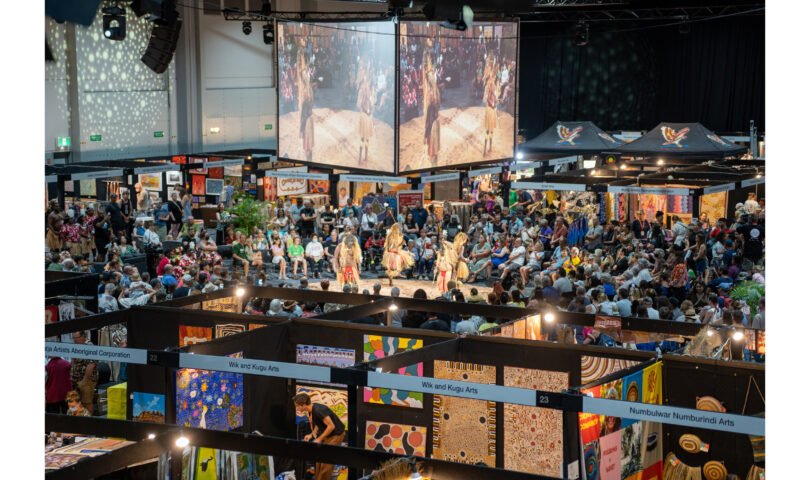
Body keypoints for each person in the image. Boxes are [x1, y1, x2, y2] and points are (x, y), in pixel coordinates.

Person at [293, 393, 346, 480]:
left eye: (298, 406)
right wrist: (311, 434)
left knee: (327, 462)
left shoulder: (318, 410)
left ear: (304, 405)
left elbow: (331, 426)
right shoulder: (311, 411)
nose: (297, 408)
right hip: (328, 435)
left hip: (336, 434)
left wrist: (319, 438)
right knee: (319, 460)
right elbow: (318, 423)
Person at [70, 330, 98, 414]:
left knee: (87, 402)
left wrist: (84, 382)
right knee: (78, 403)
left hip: (87, 381)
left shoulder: (90, 347)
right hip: (76, 380)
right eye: (73, 338)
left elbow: (91, 366)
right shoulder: (77, 346)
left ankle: (88, 420)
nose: (74, 340)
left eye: (76, 338)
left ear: (83, 336)